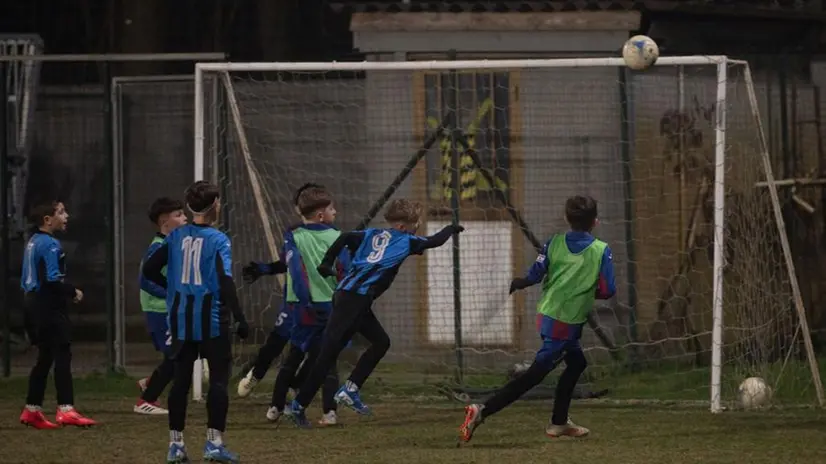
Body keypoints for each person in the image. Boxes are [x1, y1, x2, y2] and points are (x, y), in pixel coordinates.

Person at [289, 199, 463, 428]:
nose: (417, 227)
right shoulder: (407, 240)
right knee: (327, 355)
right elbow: (435, 241)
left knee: (381, 342)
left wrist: (327, 262)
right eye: (415, 223)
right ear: (403, 226)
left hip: (350, 299)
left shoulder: (370, 234)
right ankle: (298, 405)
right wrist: (451, 228)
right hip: (353, 301)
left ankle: (350, 390)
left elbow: (344, 237)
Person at [458, 195, 616, 443]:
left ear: (566, 218)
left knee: (577, 363)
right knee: (534, 375)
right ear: (595, 221)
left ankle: (559, 422)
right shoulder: (601, 250)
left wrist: (518, 283)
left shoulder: (554, 243)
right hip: (566, 321)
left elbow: (534, 275)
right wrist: (585, 289)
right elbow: (608, 291)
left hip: (548, 314)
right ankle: (482, 410)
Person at [143, 181, 249, 464]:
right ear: (215, 206)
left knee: (180, 382)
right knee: (217, 381)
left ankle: (176, 446)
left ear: (190, 207)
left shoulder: (176, 236)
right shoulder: (218, 240)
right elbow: (225, 280)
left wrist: (173, 287)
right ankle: (214, 443)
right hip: (211, 320)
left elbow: (149, 268)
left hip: (180, 318)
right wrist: (240, 317)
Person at [259, 185, 349, 426]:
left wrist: (302, 298)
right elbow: (345, 272)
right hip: (330, 307)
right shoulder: (338, 237)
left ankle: (275, 406)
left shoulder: (295, 237)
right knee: (328, 361)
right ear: (321, 214)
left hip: (303, 306)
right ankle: (329, 412)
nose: (335, 212)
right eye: (331, 208)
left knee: (293, 357)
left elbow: (295, 271)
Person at [236, 183, 323, 399]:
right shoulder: (293, 233)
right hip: (295, 301)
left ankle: (294, 389)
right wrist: (264, 269)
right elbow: (287, 262)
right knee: (276, 342)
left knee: (316, 350)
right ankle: (257, 374)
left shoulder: (331, 233)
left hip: (320, 300)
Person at [19, 200, 96, 429]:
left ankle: (32, 409)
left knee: (45, 357)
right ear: (47, 220)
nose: (67, 216)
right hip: (47, 305)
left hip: (30, 303)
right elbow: (53, 279)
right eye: (61, 212)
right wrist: (73, 292)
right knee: (63, 354)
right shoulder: (51, 244)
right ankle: (66, 408)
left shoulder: (32, 241)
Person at [135, 197, 188, 415]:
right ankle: (145, 400)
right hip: (159, 310)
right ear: (165, 221)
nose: (185, 218)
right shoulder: (158, 247)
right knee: (176, 357)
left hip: (170, 309)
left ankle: (150, 383)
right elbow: (145, 281)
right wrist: (170, 295)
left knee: (180, 354)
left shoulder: (172, 244)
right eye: (179, 215)